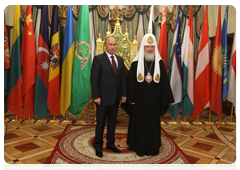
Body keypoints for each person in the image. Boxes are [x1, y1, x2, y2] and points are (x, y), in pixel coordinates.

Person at [127, 33, 174, 156]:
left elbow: (164, 84)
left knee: (152, 125)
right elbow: (131, 83)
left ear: (155, 47)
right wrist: (131, 98)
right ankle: (137, 146)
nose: (149, 49)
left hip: (154, 103)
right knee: (139, 123)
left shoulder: (160, 64)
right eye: (147, 46)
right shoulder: (136, 64)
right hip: (139, 103)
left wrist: (163, 101)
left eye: (152, 46)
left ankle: (152, 147)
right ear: (143, 47)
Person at [91, 36, 127, 158]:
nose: (112, 47)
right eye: (110, 44)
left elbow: (122, 79)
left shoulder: (120, 60)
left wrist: (123, 94)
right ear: (105, 45)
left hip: (115, 98)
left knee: (112, 123)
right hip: (102, 98)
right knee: (100, 124)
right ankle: (98, 145)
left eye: (114, 44)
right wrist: (96, 96)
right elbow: (94, 79)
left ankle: (110, 143)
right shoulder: (98, 59)